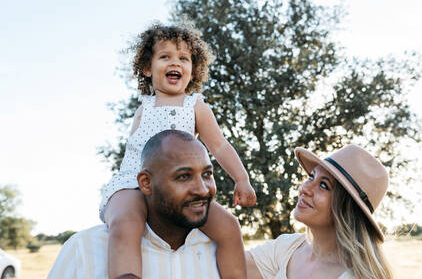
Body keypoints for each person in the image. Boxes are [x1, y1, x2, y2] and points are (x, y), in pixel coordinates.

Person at [100, 23, 256, 279]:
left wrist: (242, 179)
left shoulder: (194, 105)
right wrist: (127, 193)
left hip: (183, 191)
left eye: (184, 58)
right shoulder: (144, 108)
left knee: (229, 226)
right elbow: (132, 154)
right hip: (134, 183)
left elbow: (219, 145)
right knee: (126, 222)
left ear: (193, 69)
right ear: (147, 68)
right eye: (165, 57)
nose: (176, 63)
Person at [48, 130, 226, 279]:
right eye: (183, 176)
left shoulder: (222, 252)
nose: (202, 190)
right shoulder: (85, 249)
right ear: (146, 183)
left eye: (207, 174)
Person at [246, 145, 394, 279]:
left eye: (323, 185)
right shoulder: (288, 247)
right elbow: (230, 266)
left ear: (346, 209)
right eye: (311, 177)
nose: (305, 189)